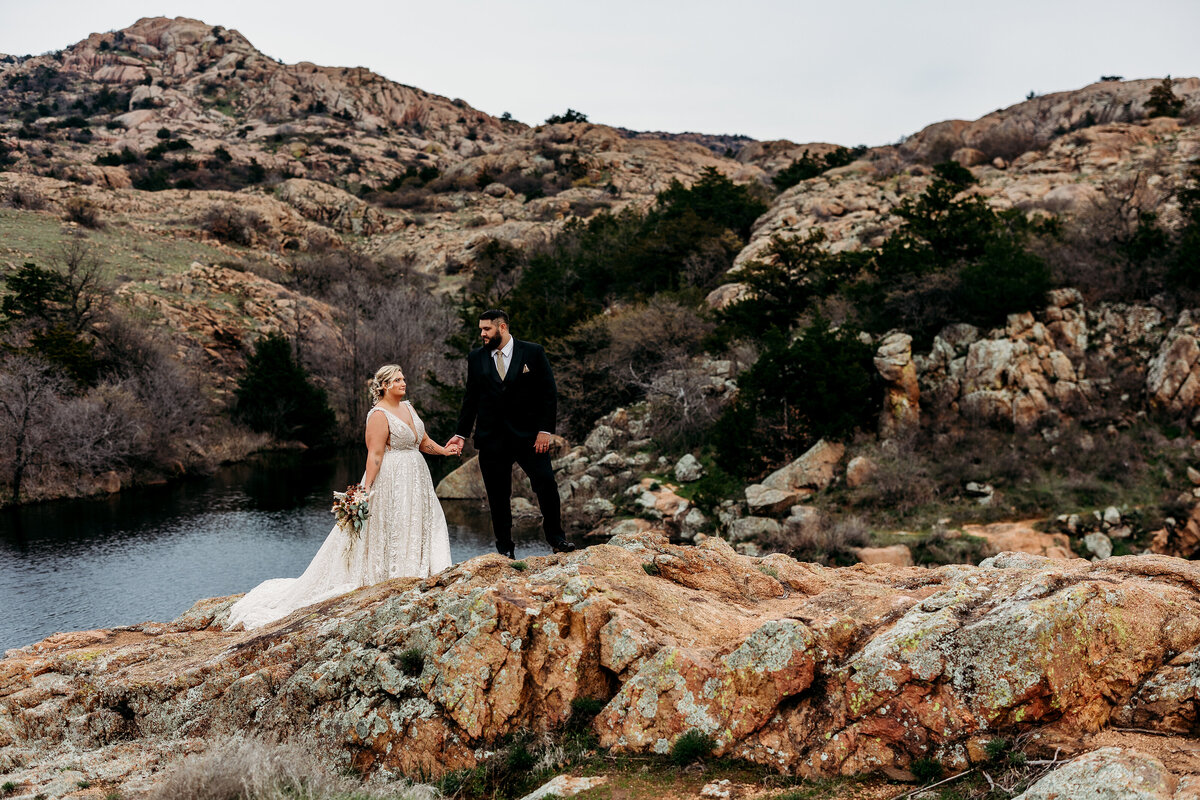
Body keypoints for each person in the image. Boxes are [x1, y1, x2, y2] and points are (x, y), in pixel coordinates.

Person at [228, 365, 454, 630]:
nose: (403, 383)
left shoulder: (410, 408)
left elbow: (422, 440)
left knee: (420, 522)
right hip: (393, 479)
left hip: (417, 477)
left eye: (403, 378)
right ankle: (393, 574)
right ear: (383, 386)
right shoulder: (378, 415)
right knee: (395, 524)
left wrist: (444, 451)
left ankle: (426, 569)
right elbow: (375, 455)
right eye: (397, 380)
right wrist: (365, 490)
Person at [446, 309, 575, 558]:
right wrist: (461, 434)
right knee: (497, 495)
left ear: (502, 327)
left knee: (546, 484)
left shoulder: (533, 352)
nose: (482, 333)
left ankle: (557, 539)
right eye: (481, 329)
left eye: (487, 329)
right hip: (492, 439)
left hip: (530, 438)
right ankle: (505, 548)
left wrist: (545, 431)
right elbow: (470, 399)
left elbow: (548, 393)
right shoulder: (476, 358)